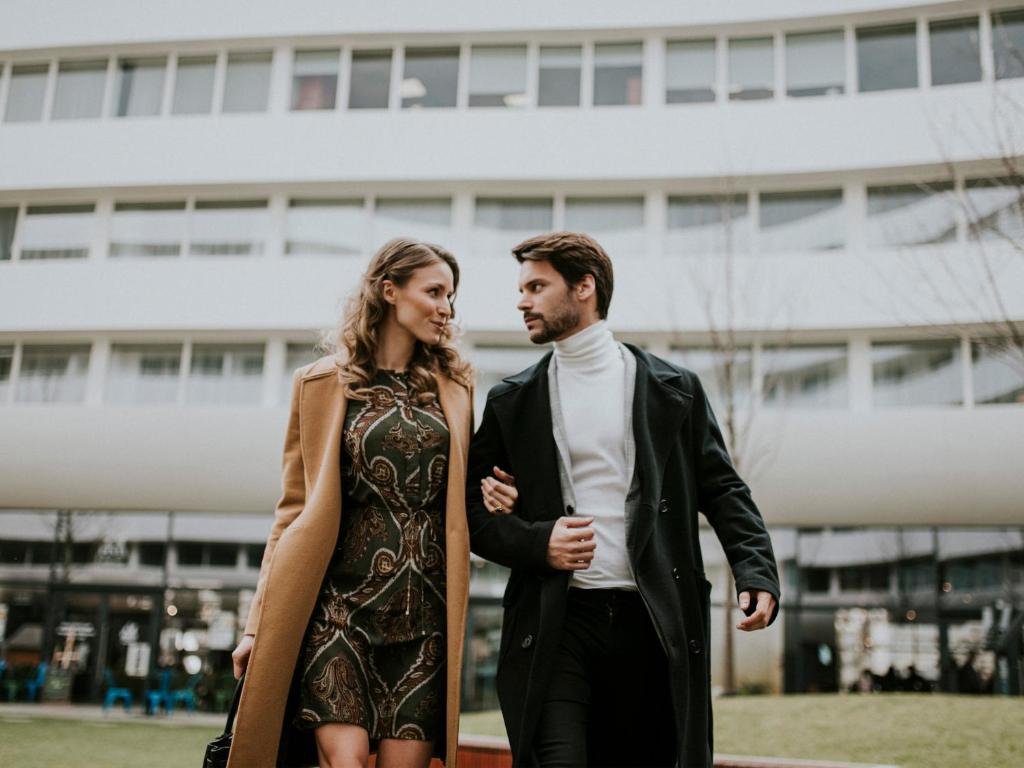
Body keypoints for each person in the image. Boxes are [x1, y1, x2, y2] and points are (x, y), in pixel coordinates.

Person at [466, 232, 781, 768]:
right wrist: (538, 542)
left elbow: (723, 487)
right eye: (522, 289)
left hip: (653, 622)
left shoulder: (673, 389)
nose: (522, 301)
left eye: (537, 286)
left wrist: (757, 572)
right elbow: (471, 514)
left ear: (584, 287)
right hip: (557, 624)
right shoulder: (511, 402)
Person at [227, 238, 475, 768]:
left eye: (451, 296)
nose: (446, 308)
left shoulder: (458, 388)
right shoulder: (317, 385)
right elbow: (292, 511)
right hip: (339, 612)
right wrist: (255, 626)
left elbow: (469, 493)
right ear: (390, 291)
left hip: (425, 620)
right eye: (434, 292)